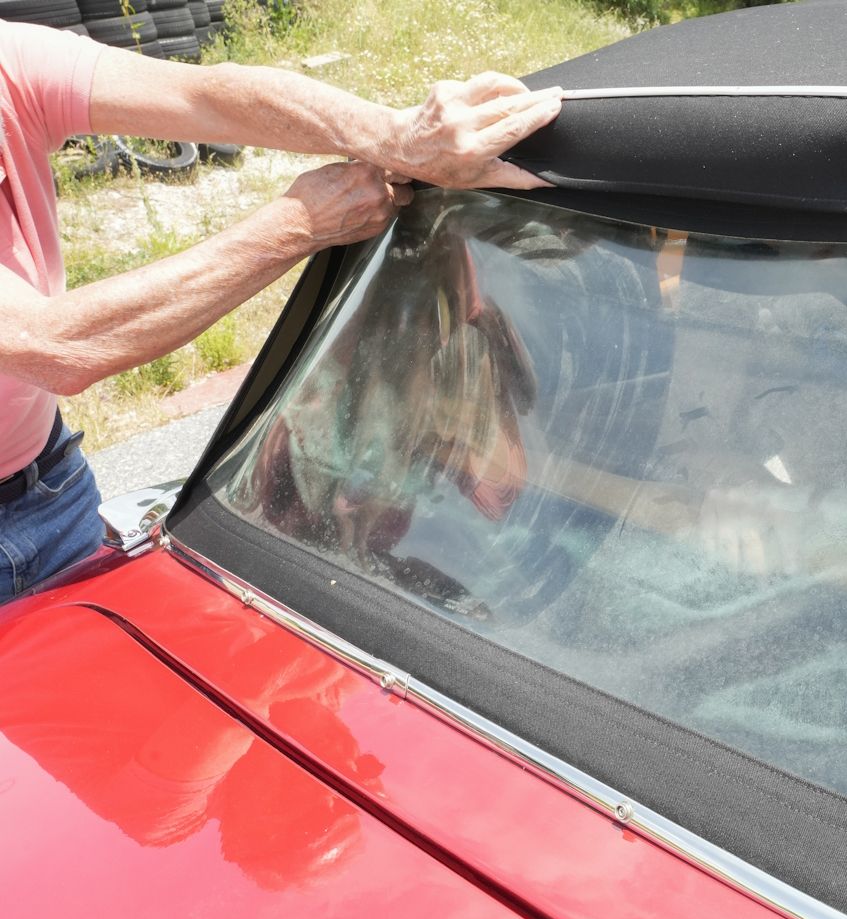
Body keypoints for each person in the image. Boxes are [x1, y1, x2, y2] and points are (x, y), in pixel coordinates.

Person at [0, 20, 564, 600]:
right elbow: (55, 347)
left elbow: (207, 97)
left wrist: (396, 136)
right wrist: (301, 224)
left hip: (51, 482)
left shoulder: (10, 61)